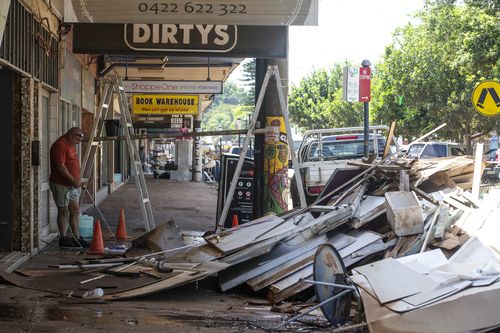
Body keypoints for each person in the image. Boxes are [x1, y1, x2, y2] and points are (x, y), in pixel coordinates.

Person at [49, 127, 89, 247]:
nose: (79, 142)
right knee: (63, 210)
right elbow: (60, 166)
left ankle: (76, 238)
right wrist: (72, 179)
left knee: (75, 210)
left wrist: (76, 180)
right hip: (61, 184)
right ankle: (63, 238)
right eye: (78, 139)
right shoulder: (60, 145)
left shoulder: (71, 145)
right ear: (71, 135)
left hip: (72, 185)